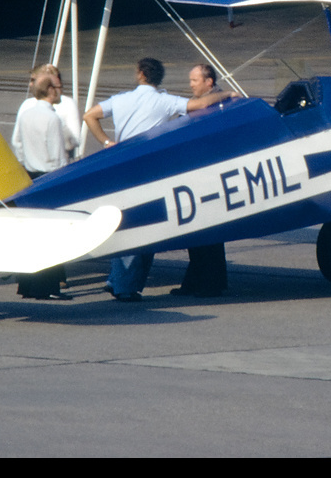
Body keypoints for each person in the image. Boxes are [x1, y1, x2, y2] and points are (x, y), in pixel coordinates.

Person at [83, 57, 236, 301]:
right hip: (149, 171)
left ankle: (118, 279)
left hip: (123, 166)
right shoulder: (164, 101)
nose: (190, 84)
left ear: (140, 74)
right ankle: (126, 283)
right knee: (143, 226)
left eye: (193, 80)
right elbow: (197, 106)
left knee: (122, 223)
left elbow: (90, 114)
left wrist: (107, 143)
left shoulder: (121, 100)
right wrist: (228, 93)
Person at [13, 73, 74, 300]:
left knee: (30, 233)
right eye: (57, 87)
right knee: (51, 234)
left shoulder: (26, 114)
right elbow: (58, 156)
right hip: (50, 176)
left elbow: (17, 143)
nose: (59, 91)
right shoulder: (53, 119)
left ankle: (27, 285)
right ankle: (47, 287)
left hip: (29, 175)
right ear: (50, 90)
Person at [171, 64, 228, 298]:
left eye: (195, 80)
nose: (191, 84)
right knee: (197, 237)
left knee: (208, 235)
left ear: (209, 82)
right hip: (197, 175)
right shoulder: (198, 104)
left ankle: (210, 284)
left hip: (210, 177)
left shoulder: (219, 106)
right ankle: (197, 282)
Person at [11, 64, 81, 164]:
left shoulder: (67, 104)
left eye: (34, 80)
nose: (30, 84)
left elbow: (74, 140)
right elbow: (16, 140)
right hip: (52, 166)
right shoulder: (27, 104)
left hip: (38, 167)